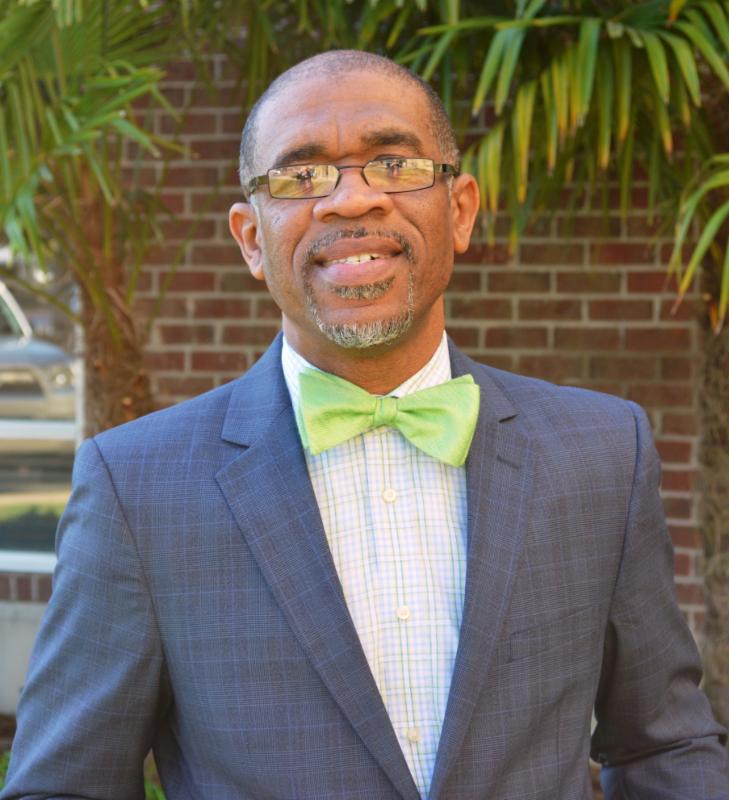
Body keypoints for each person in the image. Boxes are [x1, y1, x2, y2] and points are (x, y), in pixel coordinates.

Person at [2, 49, 728, 800]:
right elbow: (63, 787)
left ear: (460, 210)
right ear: (251, 239)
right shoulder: (136, 488)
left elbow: (665, 746)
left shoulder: (602, 454)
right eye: (301, 176)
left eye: (393, 164)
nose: (351, 201)